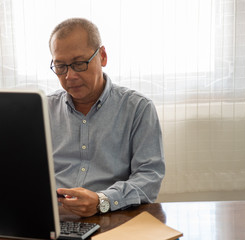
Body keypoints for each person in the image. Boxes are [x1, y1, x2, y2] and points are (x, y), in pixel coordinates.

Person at [48, 18, 165, 217]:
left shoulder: (137, 108)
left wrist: (103, 201)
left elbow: (149, 177)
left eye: (78, 64)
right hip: (53, 221)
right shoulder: (44, 109)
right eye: (60, 67)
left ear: (102, 56)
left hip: (112, 218)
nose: (69, 76)